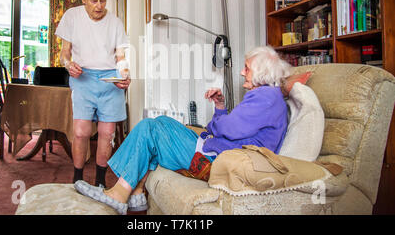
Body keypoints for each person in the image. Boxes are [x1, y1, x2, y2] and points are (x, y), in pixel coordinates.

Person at [74, 46, 291, 214]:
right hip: (216, 149)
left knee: (151, 129)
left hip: (215, 159)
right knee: (160, 122)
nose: (243, 72)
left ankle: (119, 194)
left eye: (247, 68)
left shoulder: (266, 97)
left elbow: (229, 129)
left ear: (262, 73)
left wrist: (216, 124)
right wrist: (220, 108)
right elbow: (230, 128)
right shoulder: (268, 98)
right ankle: (137, 191)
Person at [55, 0, 131, 188]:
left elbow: (120, 55)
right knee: (81, 132)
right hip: (82, 78)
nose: (99, 6)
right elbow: (64, 52)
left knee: (107, 134)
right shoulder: (72, 16)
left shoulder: (115, 22)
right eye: (94, 1)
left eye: (103, 1)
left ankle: (99, 181)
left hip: (109, 80)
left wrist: (123, 74)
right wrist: (68, 64)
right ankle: (77, 179)